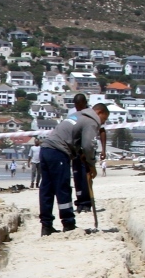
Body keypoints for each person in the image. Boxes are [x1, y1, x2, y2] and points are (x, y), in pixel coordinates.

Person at [38, 95, 105, 235]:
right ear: (99, 112)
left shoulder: (77, 115)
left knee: (47, 189)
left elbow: (75, 139)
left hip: (46, 149)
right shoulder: (91, 120)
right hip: (58, 152)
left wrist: (80, 154)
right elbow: (88, 146)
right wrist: (91, 165)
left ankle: (46, 225)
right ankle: (68, 223)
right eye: (104, 119)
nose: (101, 123)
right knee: (62, 188)